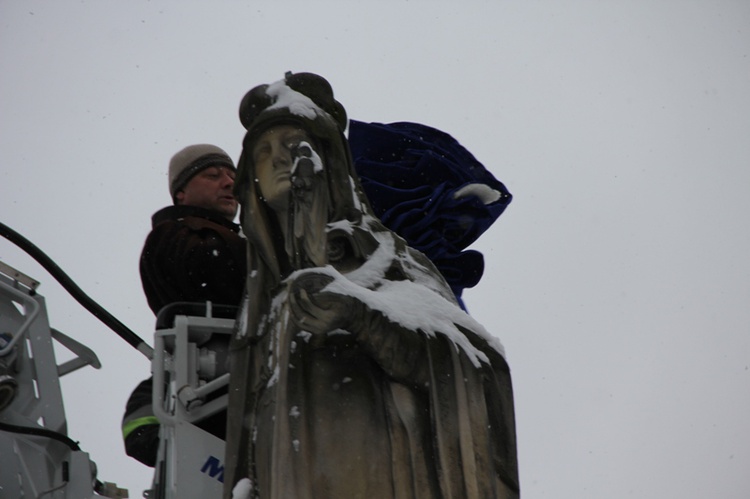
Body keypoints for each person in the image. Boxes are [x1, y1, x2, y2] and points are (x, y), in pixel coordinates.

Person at [224, 72, 519, 498]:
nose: (278, 159)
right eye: (263, 152)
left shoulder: (388, 258)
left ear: (326, 157)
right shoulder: (256, 311)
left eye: (292, 145)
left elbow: (478, 368)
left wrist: (364, 316)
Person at [122, 144, 246, 467]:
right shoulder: (171, 236)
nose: (230, 183)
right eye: (213, 175)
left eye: (233, 176)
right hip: (212, 385)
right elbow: (214, 271)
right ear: (181, 192)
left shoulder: (236, 239)